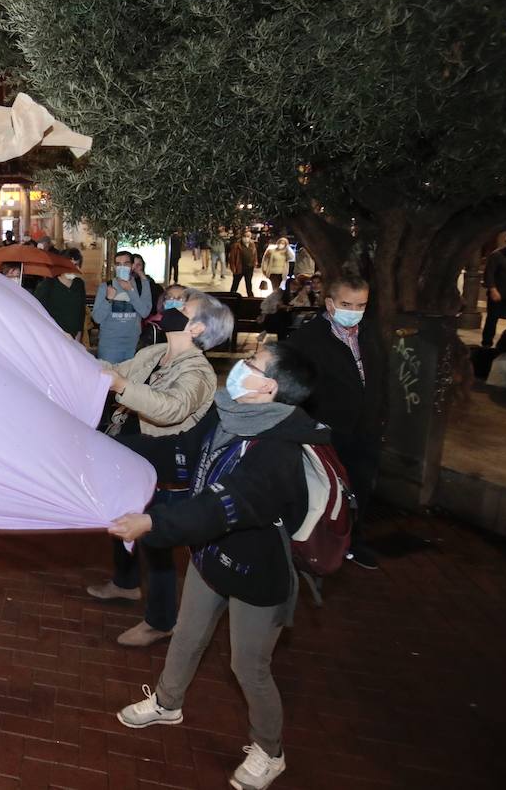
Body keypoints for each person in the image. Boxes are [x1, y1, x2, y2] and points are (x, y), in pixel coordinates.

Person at [112, 344, 323, 790]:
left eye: (252, 363)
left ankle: (270, 750)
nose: (241, 366)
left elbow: (221, 506)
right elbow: (181, 450)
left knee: (249, 666)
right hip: (211, 554)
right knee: (187, 635)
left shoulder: (278, 451)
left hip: (258, 572)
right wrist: (112, 448)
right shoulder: (229, 415)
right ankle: (168, 703)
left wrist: (152, 523)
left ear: (269, 387)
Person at [90, 291, 231, 649]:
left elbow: (170, 409)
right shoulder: (154, 353)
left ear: (196, 326)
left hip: (164, 466)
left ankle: (161, 620)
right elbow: (115, 371)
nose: (171, 310)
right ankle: (125, 583)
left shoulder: (198, 372)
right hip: (135, 453)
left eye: (182, 308)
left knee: (156, 540)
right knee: (120, 517)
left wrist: (122, 387)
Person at [286, 276, 381, 569]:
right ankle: (316, 544)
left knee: (361, 486)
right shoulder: (308, 339)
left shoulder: (370, 333)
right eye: (346, 304)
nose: (354, 311)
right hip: (326, 431)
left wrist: (382, 418)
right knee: (324, 490)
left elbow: (380, 379)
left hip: (365, 429)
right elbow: (294, 387)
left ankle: (355, 541)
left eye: (361, 305)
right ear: (330, 303)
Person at [94, 251, 154, 363]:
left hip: (132, 346)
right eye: (118, 264)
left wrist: (130, 291)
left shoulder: (141, 286)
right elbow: (97, 318)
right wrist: (108, 299)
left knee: (129, 379)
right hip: (109, 346)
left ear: (132, 266)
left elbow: (144, 312)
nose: (122, 267)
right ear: (114, 267)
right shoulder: (105, 287)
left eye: (126, 264)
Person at [33, 248, 87, 341]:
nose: (72, 268)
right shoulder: (48, 284)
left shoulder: (79, 284)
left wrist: (78, 335)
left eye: (76, 265)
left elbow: (81, 312)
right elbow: (38, 312)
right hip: (53, 336)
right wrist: (60, 332)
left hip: (74, 338)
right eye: (69, 265)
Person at [229, 230, 257, 297]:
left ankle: (250, 298)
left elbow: (255, 254)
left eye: (248, 236)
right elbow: (232, 258)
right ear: (242, 237)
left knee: (249, 284)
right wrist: (233, 268)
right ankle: (231, 297)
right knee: (235, 284)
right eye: (245, 236)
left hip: (249, 268)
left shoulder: (252, 245)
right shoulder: (236, 246)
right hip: (239, 268)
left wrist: (254, 263)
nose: (246, 238)